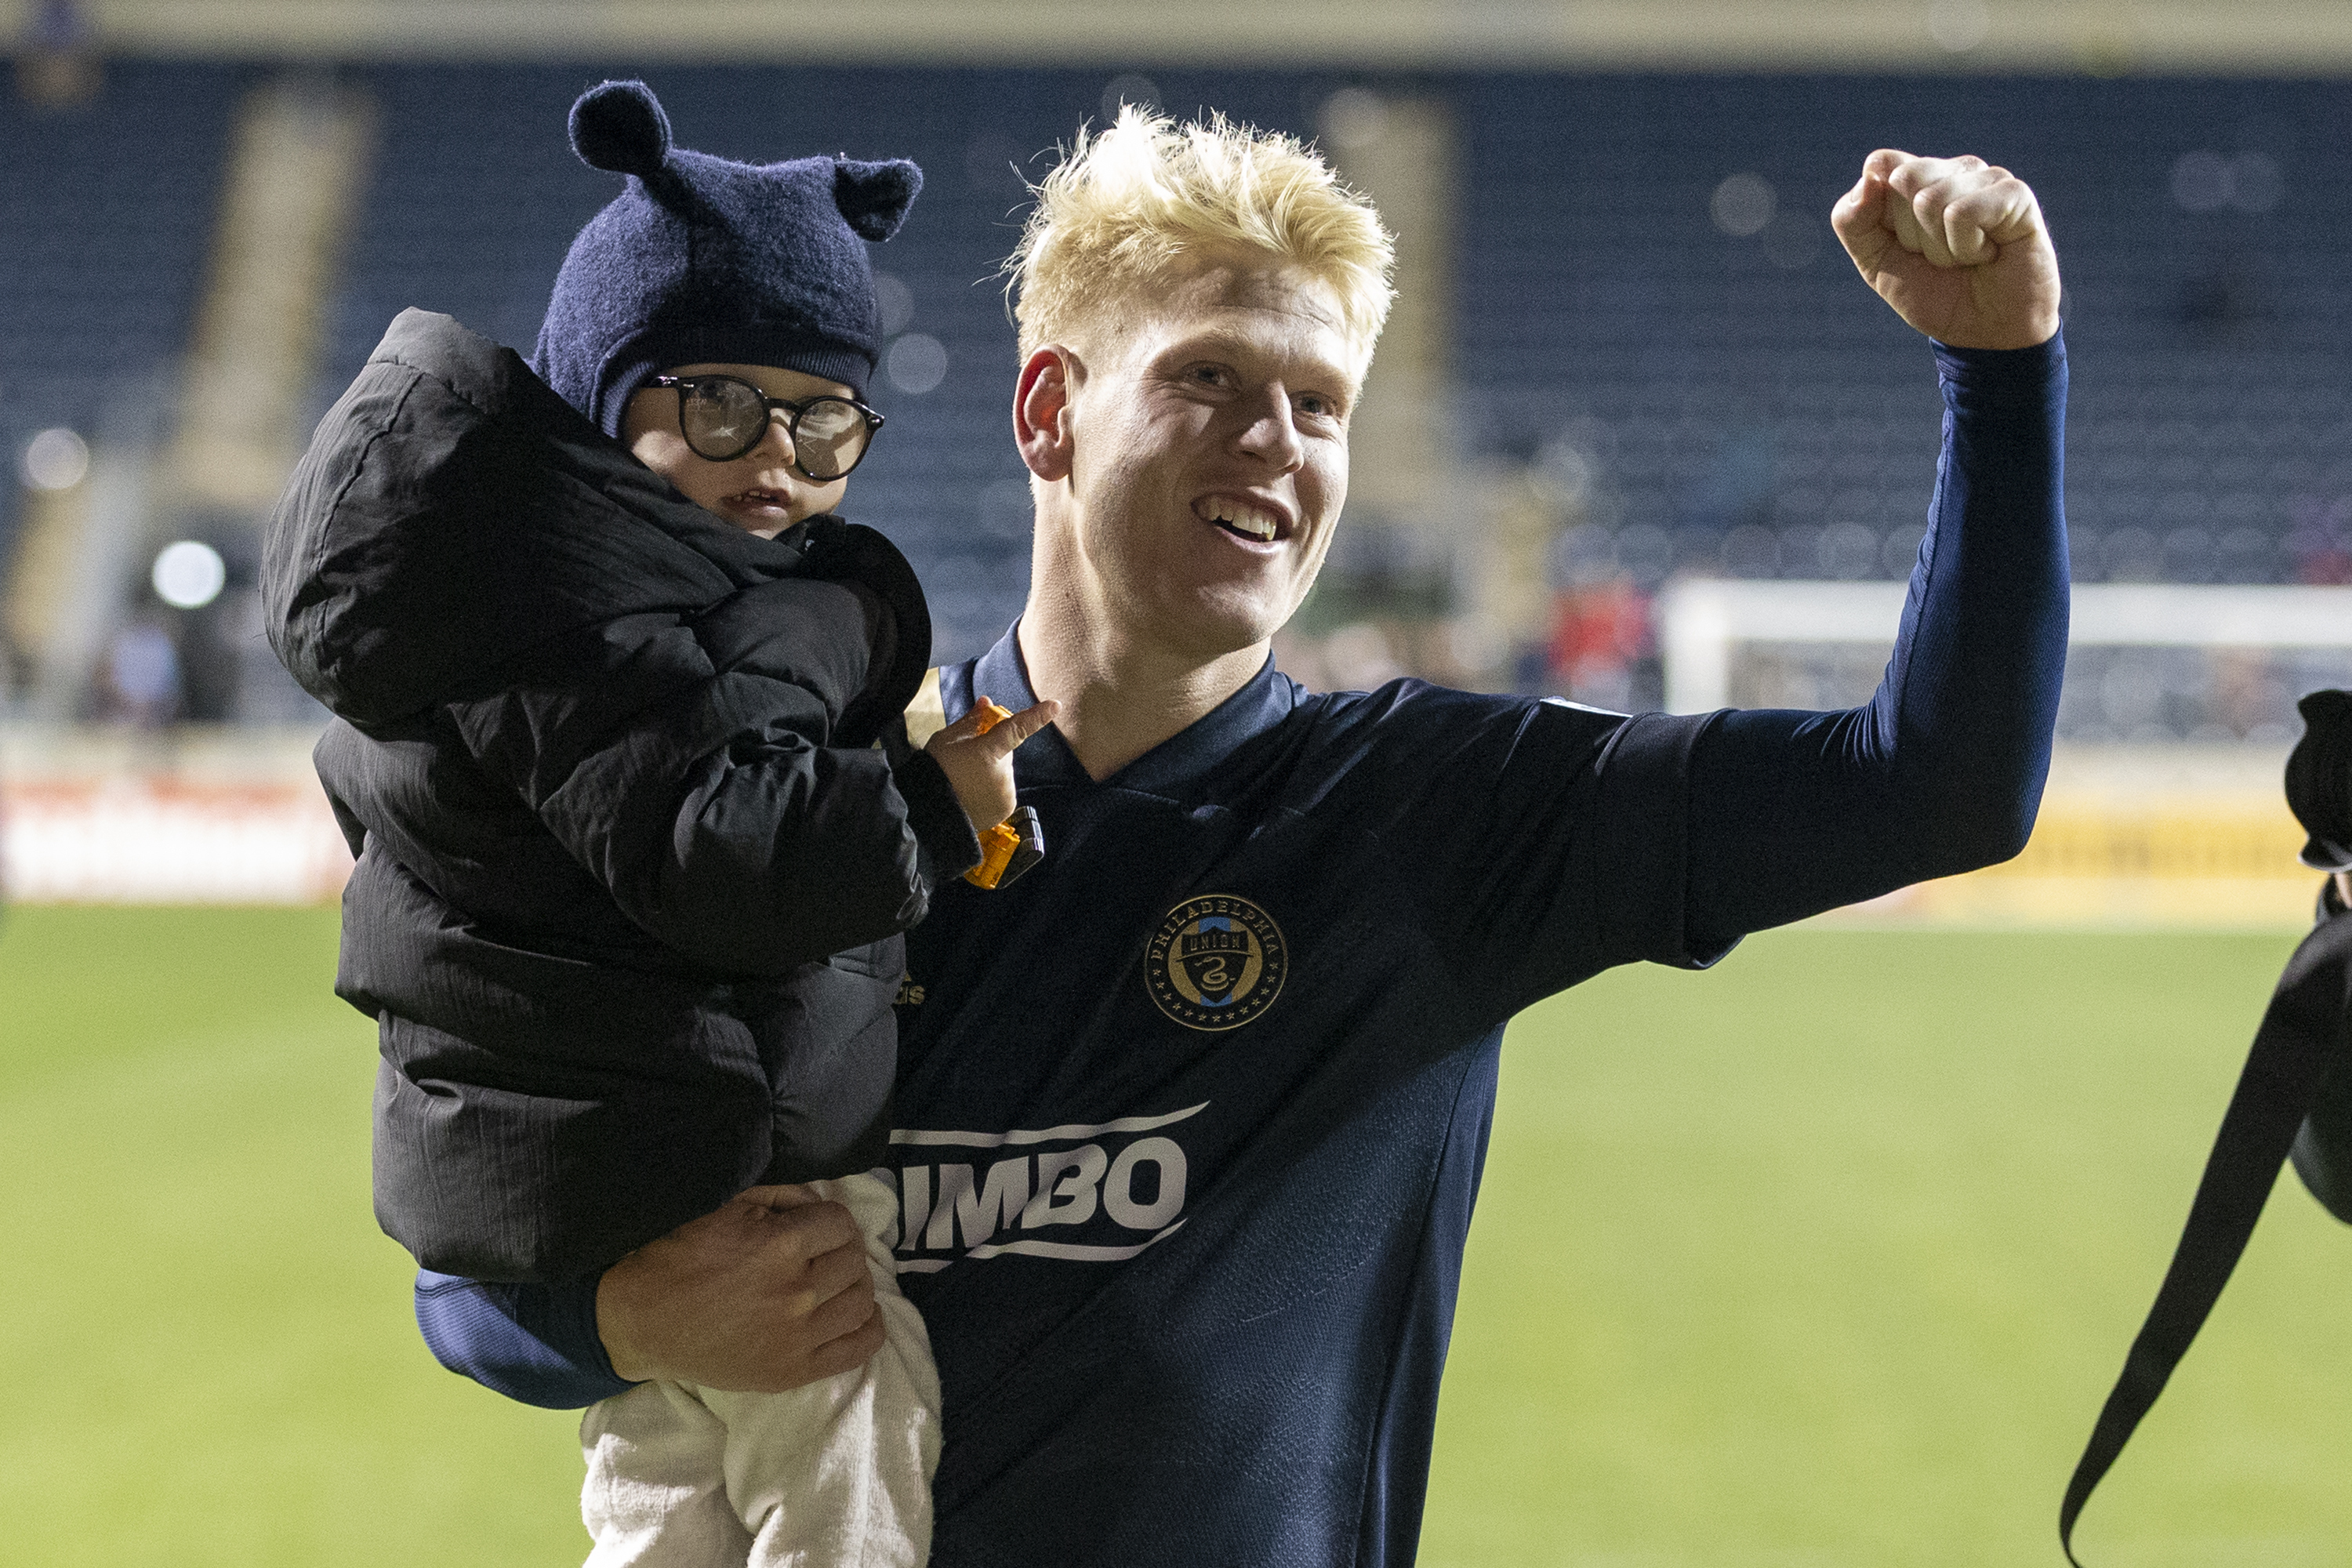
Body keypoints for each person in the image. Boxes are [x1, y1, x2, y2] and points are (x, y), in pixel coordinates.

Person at [419, 108, 2070, 1566]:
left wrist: (2000, 375)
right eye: (1209, 376)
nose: (1277, 439)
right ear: (1048, 411)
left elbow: (1934, 786)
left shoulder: (1435, 812)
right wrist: (615, 1311)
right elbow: (481, 1225)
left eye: (1320, 404)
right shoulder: (791, 815)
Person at [263, 81, 1051, 1566]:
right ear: (594, 395)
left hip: (610, 1184)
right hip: (726, 1184)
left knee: (660, 1507)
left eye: (827, 423)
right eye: (719, 403)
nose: (779, 457)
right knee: (852, 1461)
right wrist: (934, 812)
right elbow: (722, 851)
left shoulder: (521, 591)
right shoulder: (585, 613)